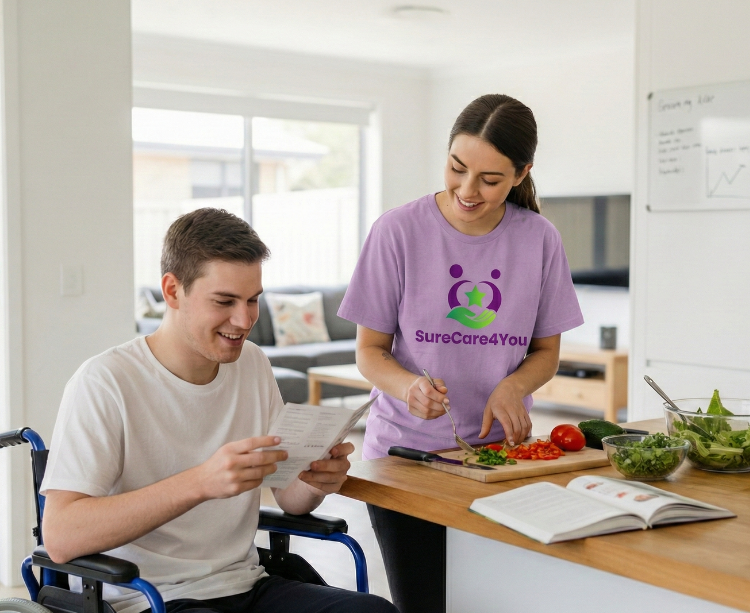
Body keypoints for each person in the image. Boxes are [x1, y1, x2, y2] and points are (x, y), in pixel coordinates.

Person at [41, 208, 397, 613]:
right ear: (172, 291)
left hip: (245, 584)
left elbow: (290, 498)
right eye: (224, 301)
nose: (243, 320)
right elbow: (62, 537)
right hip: (149, 598)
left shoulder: (253, 364)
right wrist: (200, 482)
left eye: (252, 300)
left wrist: (315, 481)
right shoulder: (105, 382)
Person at [337, 94, 584, 612]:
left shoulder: (540, 239)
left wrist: (514, 385)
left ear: (521, 174)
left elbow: (546, 352)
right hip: (406, 459)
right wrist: (409, 386)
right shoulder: (397, 231)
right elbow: (369, 351)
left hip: (498, 460)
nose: (468, 190)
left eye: (489, 179)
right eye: (456, 168)